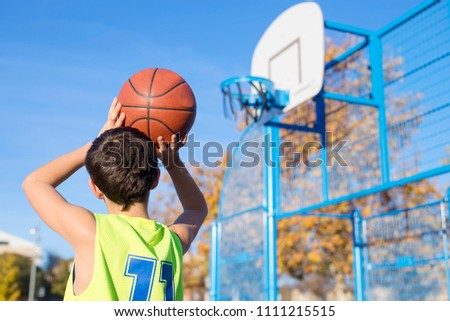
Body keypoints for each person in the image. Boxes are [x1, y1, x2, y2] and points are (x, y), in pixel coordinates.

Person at [22, 98, 208, 300]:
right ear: (155, 179)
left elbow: (34, 183)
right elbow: (196, 209)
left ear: (95, 188)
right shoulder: (171, 242)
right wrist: (173, 163)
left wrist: (95, 144)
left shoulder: (91, 232)